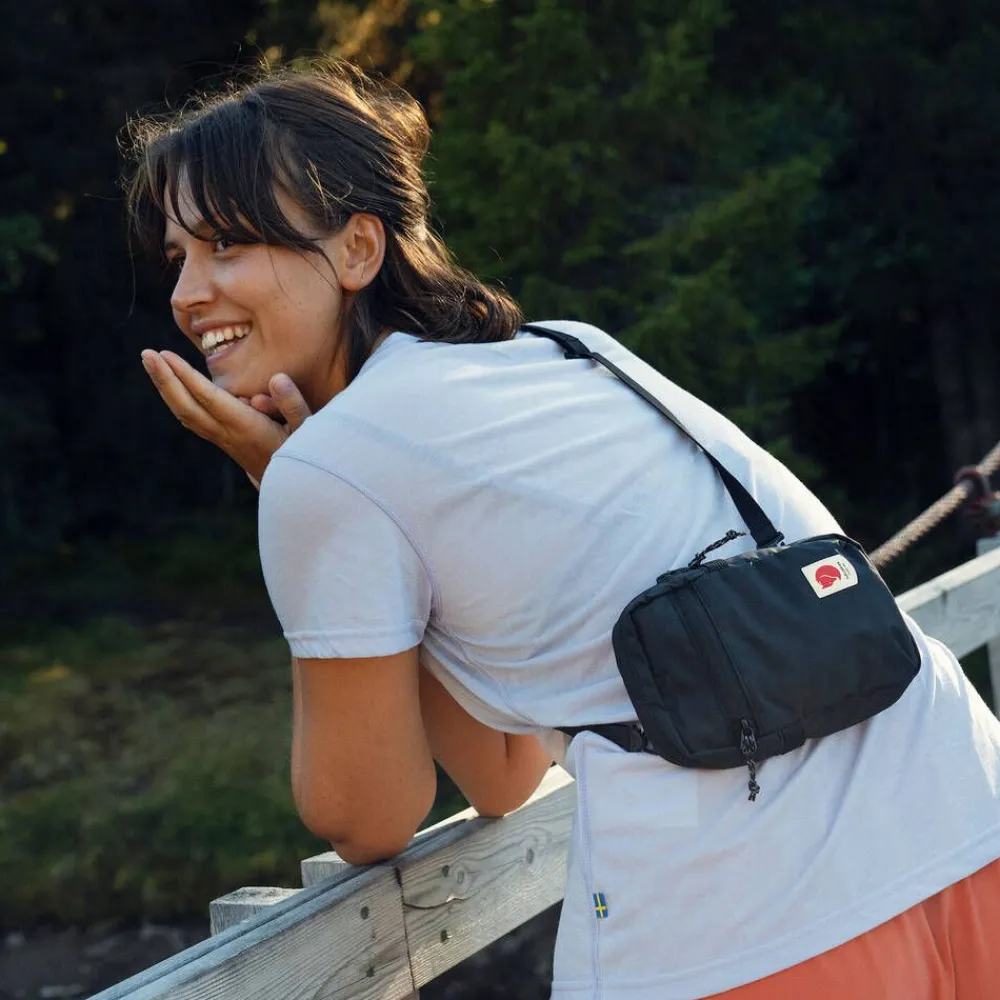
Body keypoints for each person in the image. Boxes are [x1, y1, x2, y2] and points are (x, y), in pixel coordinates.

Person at [127, 62, 1000, 999]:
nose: (187, 294)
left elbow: (365, 815)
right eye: (178, 257)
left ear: (358, 249)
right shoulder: (572, 352)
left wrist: (284, 482)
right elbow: (505, 774)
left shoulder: (328, 471)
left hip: (755, 930)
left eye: (227, 243)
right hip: (966, 820)